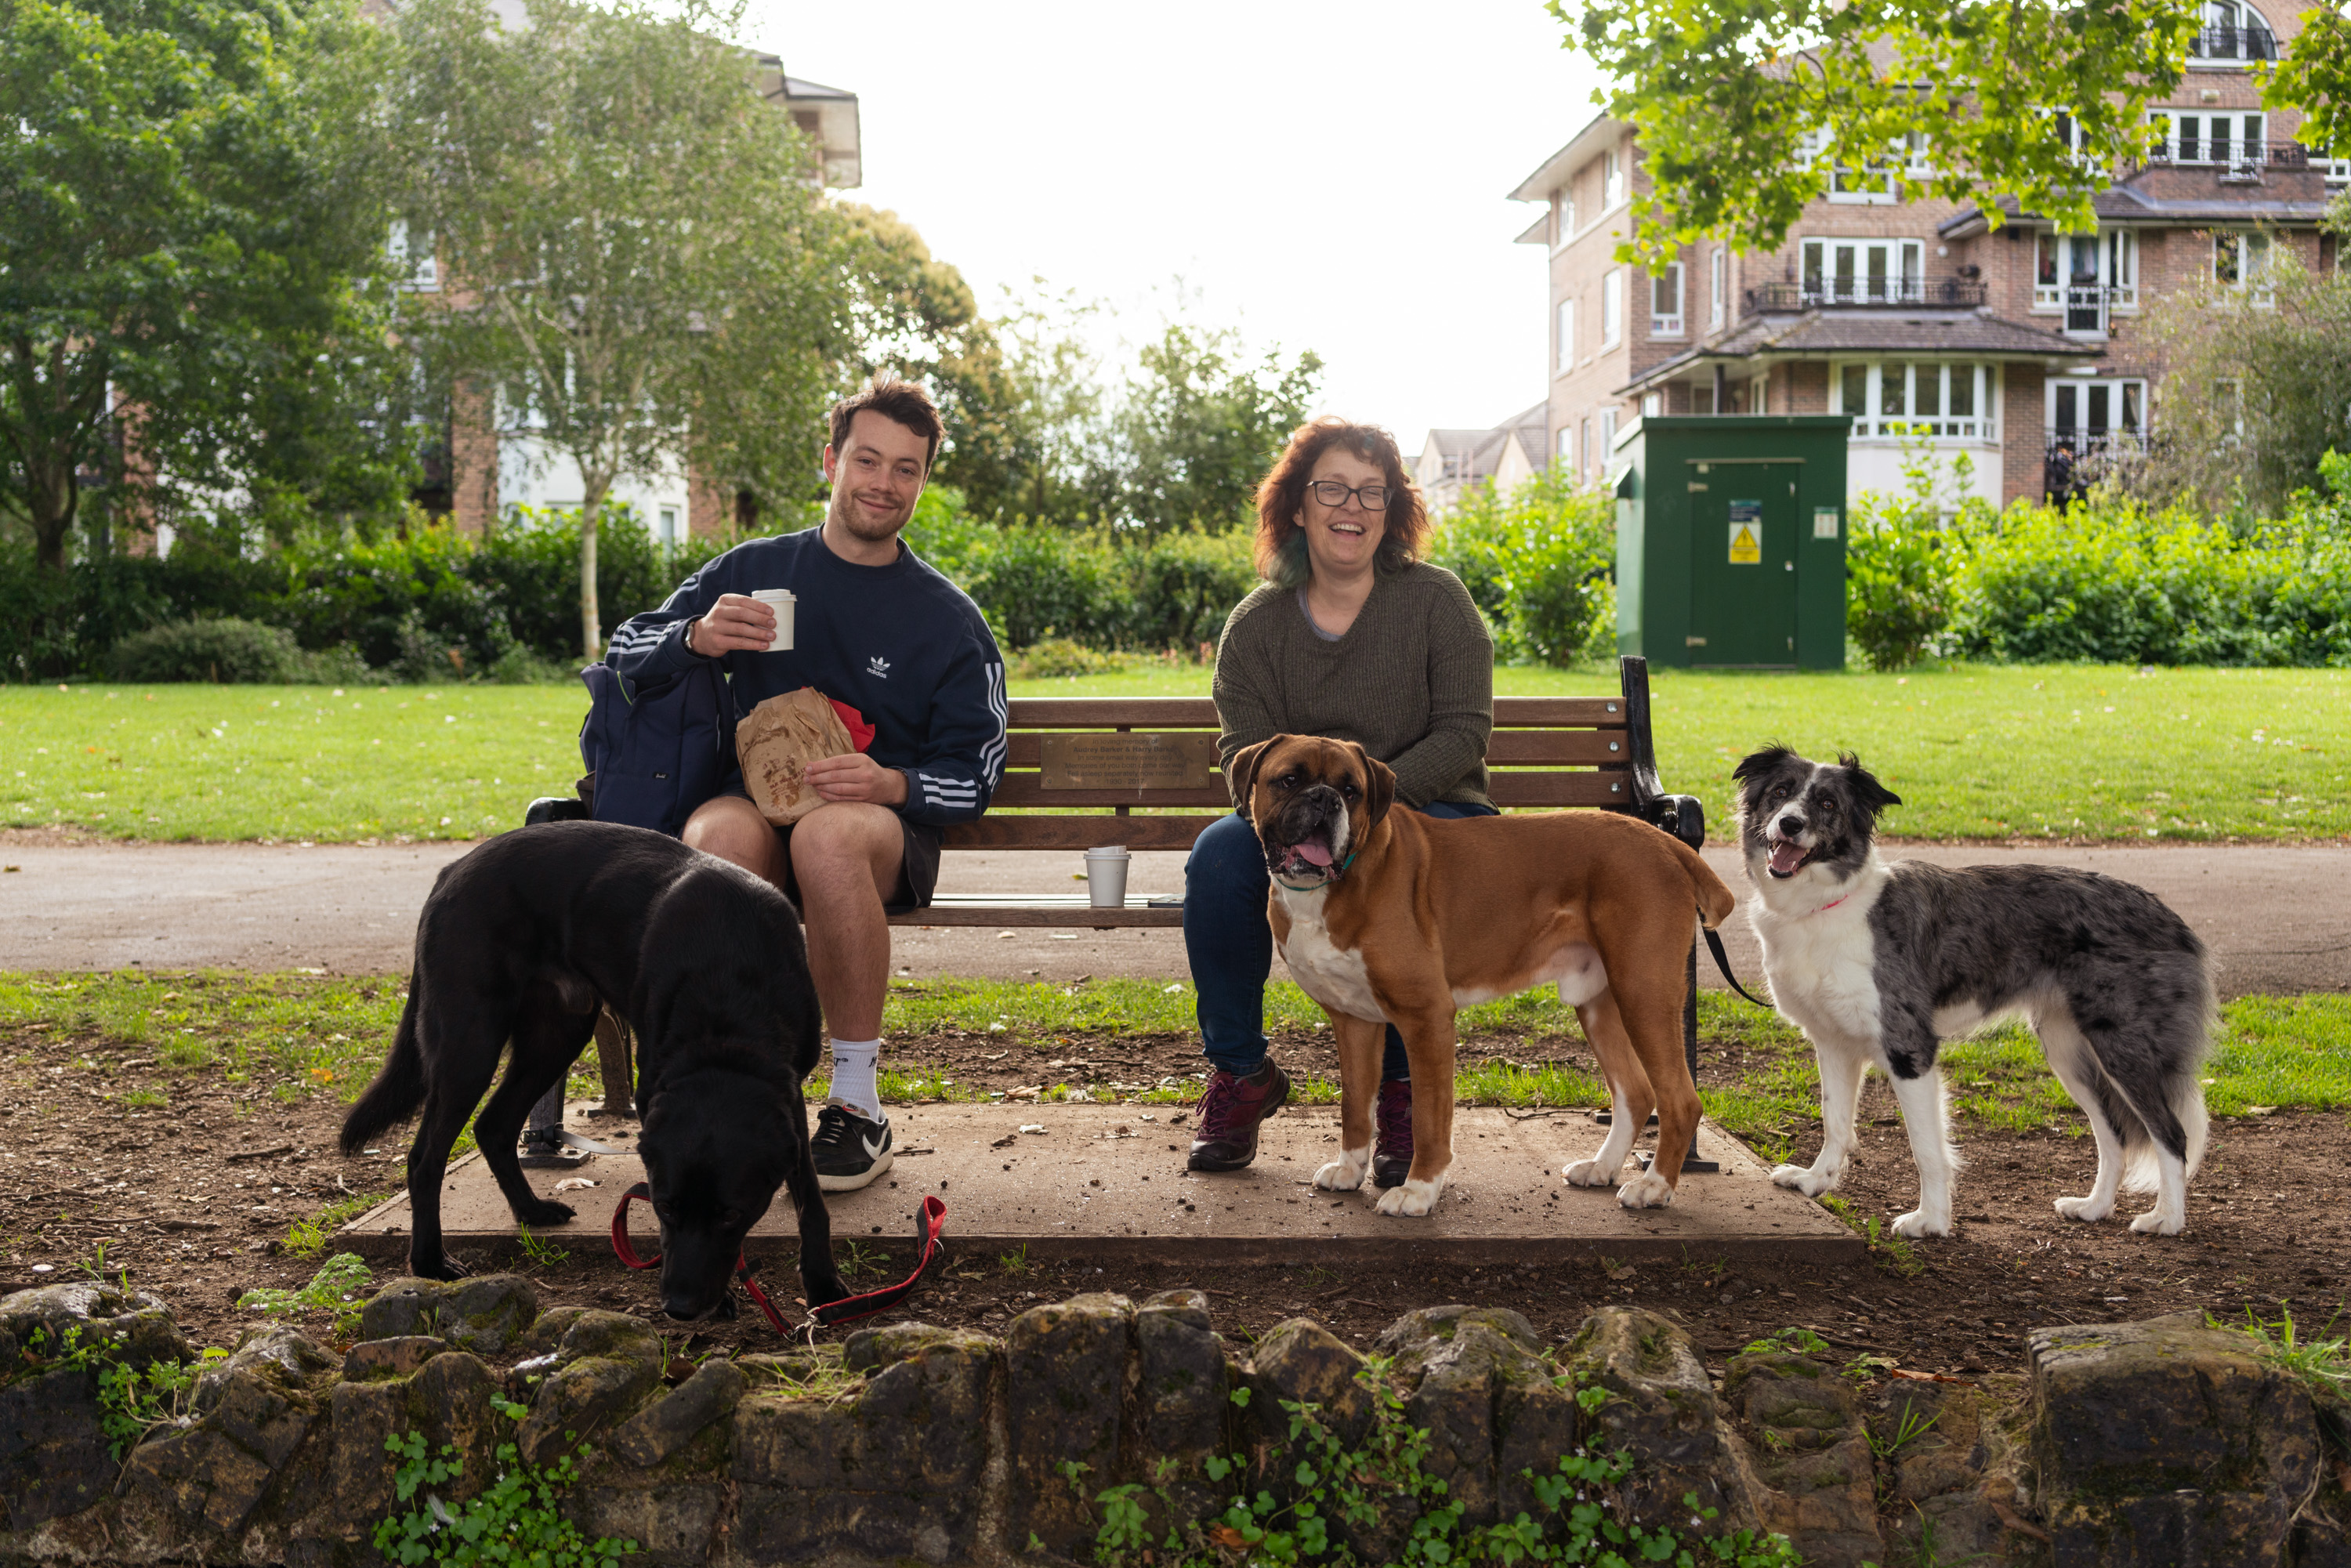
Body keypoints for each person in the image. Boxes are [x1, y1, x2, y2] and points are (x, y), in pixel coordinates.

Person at [607, 372, 1006, 1191]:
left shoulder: (947, 618)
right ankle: (729, 1091)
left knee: (827, 834)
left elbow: (977, 775)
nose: (884, 483)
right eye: (868, 460)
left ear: (923, 481)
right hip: (751, 808)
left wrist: (892, 782)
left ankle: (857, 1105)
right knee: (714, 839)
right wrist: (697, 636)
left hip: (873, 832)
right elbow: (626, 650)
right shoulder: (755, 569)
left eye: (907, 468)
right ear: (831, 462)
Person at [1185, 417, 1495, 1181]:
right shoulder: (1255, 627)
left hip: (1429, 814)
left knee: (1392, 890)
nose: (1350, 506)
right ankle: (1240, 1072)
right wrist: (1316, 811)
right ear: (1297, 506)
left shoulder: (1437, 603)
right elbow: (1244, 756)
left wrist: (1367, 815)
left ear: (1392, 511)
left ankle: (1401, 1096)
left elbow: (1463, 733)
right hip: (1297, 825)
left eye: (1371, 491)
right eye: (1331, 488)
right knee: (1219, 861)